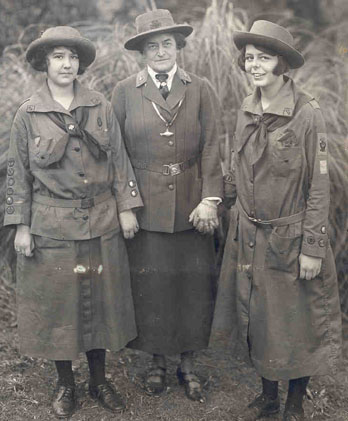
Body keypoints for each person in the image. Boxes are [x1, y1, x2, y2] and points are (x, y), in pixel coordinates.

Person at [4, 26, 143, 418]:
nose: (66, 64)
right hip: (52, 226)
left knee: (100, 303)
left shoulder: (98, 105)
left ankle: (99, 381)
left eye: (72, 57)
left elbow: (118, 159)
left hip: (101, 221)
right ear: (44, 63)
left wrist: (127, 206)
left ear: (80, 64)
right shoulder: (28, 114)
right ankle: (66, 384)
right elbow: (18, 173)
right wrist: (21, 225)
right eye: (58, 56)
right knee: (58, 308)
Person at [211, 20, 342, 421]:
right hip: (249, 234)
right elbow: (236, 169)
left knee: (295, 324)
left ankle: (294, 405)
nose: (254, 65)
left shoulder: (306, 114)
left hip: (291, 236)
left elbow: (319, 187)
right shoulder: (246, 110)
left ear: (282, 64)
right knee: (260, 320)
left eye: (263, 58)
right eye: (249, 58)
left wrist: (313, 249)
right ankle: (268, 398)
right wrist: (215, 202)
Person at [111, 9, 223, 402]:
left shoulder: (200, 88)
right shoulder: (125, 91)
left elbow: (213, 145)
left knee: (193, 285)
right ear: (142, 52)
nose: (160, 51)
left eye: (167, 44)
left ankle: (188, 362)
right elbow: (117, 152)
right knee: (152, 284)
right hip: (146, 207)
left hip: (193, 206)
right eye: (152, 45)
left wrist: (210, 200)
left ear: (179, 47)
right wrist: (126, 203)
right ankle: (157, 360)